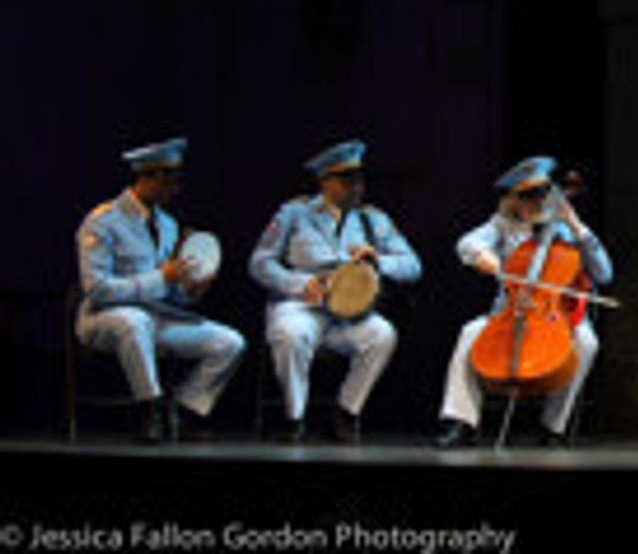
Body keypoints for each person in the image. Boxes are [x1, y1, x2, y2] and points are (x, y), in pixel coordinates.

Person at [249, 139, 421, 443]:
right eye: (346, 180)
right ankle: (294, 417)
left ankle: (345, 411)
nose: (356, 187)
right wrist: (299, 284)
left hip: (350, 315)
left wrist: (379, 260)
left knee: (383, 334)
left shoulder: (373, 220)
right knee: (290, 334)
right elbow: (260, 263)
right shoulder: (294, 213)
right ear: (324, 182)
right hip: (303, 306)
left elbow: (413, 266)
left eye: (359, 180)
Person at [75, 137, 246, 443]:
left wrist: (191, 289)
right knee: (133, 321)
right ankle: (149, 409)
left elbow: (170, 292)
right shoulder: (103, 222)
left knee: (229, 342)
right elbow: (97, 289)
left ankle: (184, 410)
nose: (176, 188)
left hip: (154, 318)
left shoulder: (167, 223)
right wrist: (160, 278)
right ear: (147, 177)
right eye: (170, 180)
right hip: (105, 319)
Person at [434, 156, 612, 448]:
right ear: (513, 201)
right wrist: (485, 257)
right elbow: (467, 243)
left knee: (585, 343)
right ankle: (461, 422)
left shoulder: (570, 233)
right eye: (525, 199)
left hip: (559, 317)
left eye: (540, 197)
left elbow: (604, 274)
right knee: (470, 332)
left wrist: (576, 225)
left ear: (551, 196)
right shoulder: (503, 226)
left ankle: (553, 427)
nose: (534, 206)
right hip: (510, 312)